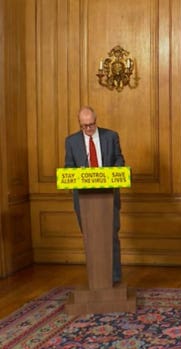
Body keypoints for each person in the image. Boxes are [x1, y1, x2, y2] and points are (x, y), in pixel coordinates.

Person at [64, 106, 125, 284]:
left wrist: (112, 172)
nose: (89, 129)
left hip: (108, 196)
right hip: (83, 199)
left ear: (96, 121)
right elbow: (68, 166)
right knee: (90, 237)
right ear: (80, 125)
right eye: (84, 126)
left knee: (111, 236)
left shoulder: (111, 136)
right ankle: (96, 279)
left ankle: (114, 278)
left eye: (91, 124)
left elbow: (119, 159)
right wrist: (78, 173)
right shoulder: (71, 141)